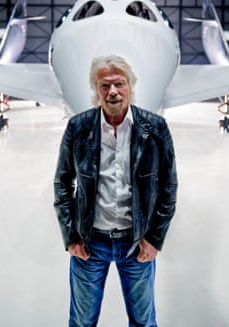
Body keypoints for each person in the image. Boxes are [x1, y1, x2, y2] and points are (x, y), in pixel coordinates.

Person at [53, 55, 178, 327]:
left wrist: (154, 238)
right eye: (104, 85)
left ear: (130, 87)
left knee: (144, 321)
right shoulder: (78, 127)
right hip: (90, 242)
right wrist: (71, 236)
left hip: (137, 241)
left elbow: (168, 188)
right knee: (82, 321)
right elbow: (63, 183)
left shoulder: (155, 128)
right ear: (96, 90)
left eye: (119, 84)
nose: (112, 92)